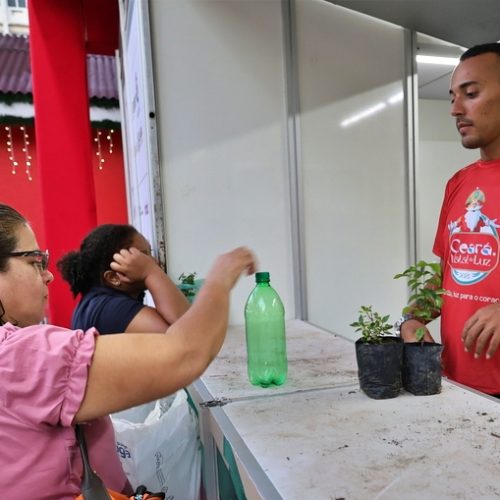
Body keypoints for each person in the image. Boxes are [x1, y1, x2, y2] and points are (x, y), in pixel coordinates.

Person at [0, 203, 256, 497]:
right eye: (35, 261)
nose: (48, 276)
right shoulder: (22, 354)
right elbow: (186, 350)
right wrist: (221, 278)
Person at [397, 42, 500, 396]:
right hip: (454, 385)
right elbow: (448, 276)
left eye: (470, 93)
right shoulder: (459, 183)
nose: (455, 109)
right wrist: (411, 319)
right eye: (453, 96)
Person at [57, 224, 190, 334]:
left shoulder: (95, 302)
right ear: (113, 277)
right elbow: (189, 334)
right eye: (142, 257)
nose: (154, 262)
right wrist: (151, 272)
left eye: (150, 253)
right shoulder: (111, 309)